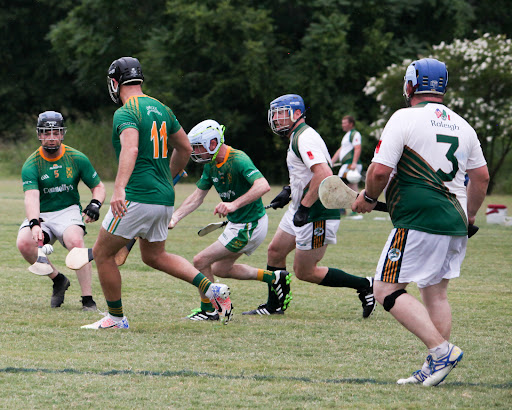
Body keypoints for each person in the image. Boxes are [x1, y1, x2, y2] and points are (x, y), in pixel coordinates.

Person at [352, 58, 489, 386]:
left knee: (384, 289)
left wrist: (368, 197)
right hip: (454, 223)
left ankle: (441, 351)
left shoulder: (404, 117)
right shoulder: (464, 125)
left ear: (411, 84)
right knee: (435, 293)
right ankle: (434, 365)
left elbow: (379, 171)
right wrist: (470, 214)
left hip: (417, 221)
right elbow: (481, 177)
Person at [82, 57, 232, 329]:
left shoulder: (125, 112)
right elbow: (185, 148)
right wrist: (169, 177)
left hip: (136, 196)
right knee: (154, 256)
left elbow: (131, 148)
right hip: (163, 198)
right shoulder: (162, 108)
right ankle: (212, 289)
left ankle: (116, 318)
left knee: (102, 254)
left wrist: (119, 188)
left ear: (115, 82)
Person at [243, 94, 375, 317]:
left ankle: (365, 285)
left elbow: (323, 173)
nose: (276, 119)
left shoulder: (304, 137)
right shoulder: (298, 136)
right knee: (275, 252)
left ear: (297, 114)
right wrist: (289, 191)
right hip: (302, 208)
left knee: (305, 271)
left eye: (281, 114)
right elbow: (305, 173)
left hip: (316, 212)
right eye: (274, 115)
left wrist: (304, 206)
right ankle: (274, 306)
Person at [169, 119, 292, 321]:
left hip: (250, 224)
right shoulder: (211, 164)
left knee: (200, 261)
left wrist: (233, 204)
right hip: (239, 224)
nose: (195, 152)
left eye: (198, 147)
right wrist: (176, 216)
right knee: (221, 269)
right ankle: (274, 277)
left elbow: (263, 185)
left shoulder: (238, 159)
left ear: (213, 143)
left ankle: (211, 310)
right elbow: (197, 196)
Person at [17, 110, 106, 310]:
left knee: (76, 242)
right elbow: (31, 197)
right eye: (46, 133)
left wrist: (95, 203)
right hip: (42, 213)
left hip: (68, 210)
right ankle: (58, 280)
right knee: (24, 243)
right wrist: (34, 224)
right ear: (39, 135)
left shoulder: (76, 158)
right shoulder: (31, 164)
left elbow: (98, 187)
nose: (51, 137)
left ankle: (88, 299)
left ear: (62, 133)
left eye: (56, 132)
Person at [331, 115, 363, 218]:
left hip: (350, 165)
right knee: (352, 188)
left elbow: (357, 148)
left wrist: (354, 163)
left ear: (351, 124)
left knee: (341, 185)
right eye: (342, 123)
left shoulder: (355, 134)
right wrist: (332, 162)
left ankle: (343, 209)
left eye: (345, 123)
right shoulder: (347, 136)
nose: (343, 125)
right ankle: (353, 209)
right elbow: (341, 150)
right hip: (346, 165)